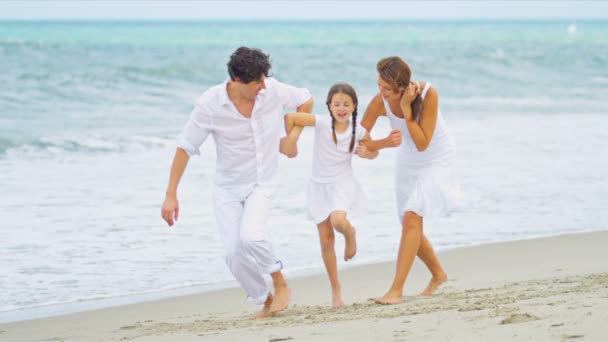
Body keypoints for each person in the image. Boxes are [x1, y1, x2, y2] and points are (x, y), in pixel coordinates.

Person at [160, 47, 313, 318]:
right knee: (233, 252)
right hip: (227, 187)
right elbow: (185, 147)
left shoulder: (272, 90)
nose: (264, 85)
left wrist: (292, 137)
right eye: (257, 82)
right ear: (238, 81)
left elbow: (305, 100)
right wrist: (171, 194)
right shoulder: (209, 105)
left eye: (265, 78)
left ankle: (280, 281)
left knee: (252, 235)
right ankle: (264, 299)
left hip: (262, 181)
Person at [282, 83, 400, 308]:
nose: (341, 108)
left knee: (338, 220)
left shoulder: (360, 131)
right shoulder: (322, 123)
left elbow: (371, 151)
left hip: (342, 184)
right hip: (318, 187)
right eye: (337, 104)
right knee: (326, 241)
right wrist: (292, 141)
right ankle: (336, 290)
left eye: (346, 104)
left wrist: (369, 153)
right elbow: (290, 118)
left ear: (354, 106)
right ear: (329, 106)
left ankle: (350, 233)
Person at [357, 56, 459, 305]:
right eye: (379, 85)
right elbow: (359, 138)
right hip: (407, 160)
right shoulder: (378, 102)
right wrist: (376, 147)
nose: (382, 92)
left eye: (388, 89)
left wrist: (405, 110)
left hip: (436, 157)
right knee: (408, 224)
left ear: (403, 87)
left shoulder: (427, 94)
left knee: (413, 217)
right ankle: (438, 274)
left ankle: (396, 290)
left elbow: (423, 143)